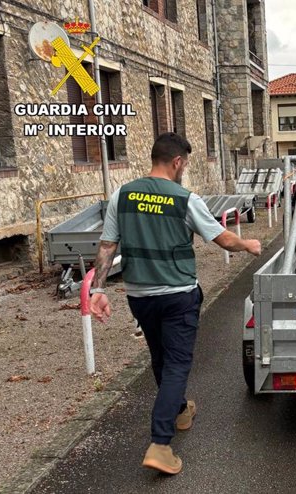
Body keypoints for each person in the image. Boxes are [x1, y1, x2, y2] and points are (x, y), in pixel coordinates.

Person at [89, 132, 261, 475]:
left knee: (161, 358)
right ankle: (160, 443)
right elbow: (222, 239)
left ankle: (180, 409)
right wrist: (249, 245)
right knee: (178, 364)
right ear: (177, 161)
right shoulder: (185, 198)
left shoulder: (121, 194)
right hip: (178, 294)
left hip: (140, 296)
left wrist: (99, 289)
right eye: (185, 164)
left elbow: (107, 246)